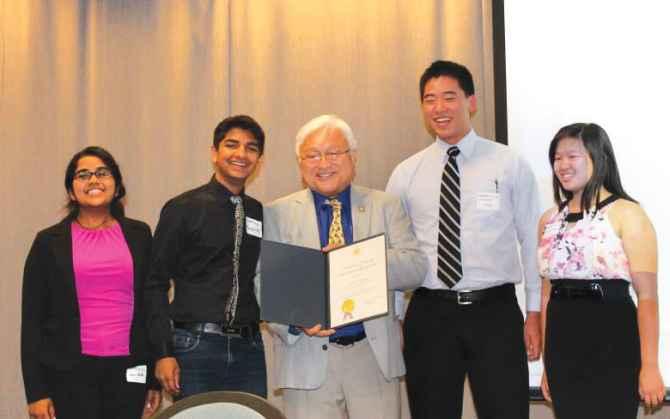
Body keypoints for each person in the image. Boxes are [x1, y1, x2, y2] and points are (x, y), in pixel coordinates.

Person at [386, 60, 542, 419]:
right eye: (429, 99)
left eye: (449, 97)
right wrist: (395, 317)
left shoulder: (508, 163)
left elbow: (531, 242)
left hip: (495, 313)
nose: (439, 108)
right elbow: (395, 253)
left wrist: (534, 313)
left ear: (471, 102)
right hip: (429, 313)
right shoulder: (406, 173)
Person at [263, 114, 426, 419]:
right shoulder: (277, 213)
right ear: (301, 164)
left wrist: (360, 258)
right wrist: (294, 322)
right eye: (312, 155)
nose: (323, 163)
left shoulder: (385, 205)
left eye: (333, 153)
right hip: (307, 356)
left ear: (353, 158)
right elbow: (264, 283)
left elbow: (416, 267)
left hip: (372, 354)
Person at [21, 146, 161, 419]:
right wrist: (36, 391)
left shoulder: (140, 234)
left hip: (129, 368)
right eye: (83, 175)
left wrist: (153, 377)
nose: (94, 180)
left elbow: (152, 306)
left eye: (102, 173)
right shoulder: (48, 243)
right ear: (72, 191)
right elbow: (32, 320)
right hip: (69, 372)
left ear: (117, 186)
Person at [538, 123, 665, 418]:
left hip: (611, 337)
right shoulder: (549, 219)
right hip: (562, 341)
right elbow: (547, 295)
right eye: (557, 158)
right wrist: (547, 364)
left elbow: (647, 297)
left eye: (572, 156)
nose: (563, 165)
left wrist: (650, 366)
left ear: (598, 157)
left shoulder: (627, 213)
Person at [145, 115, 267, 398]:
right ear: (214, 152)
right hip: (195, 347)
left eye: (251, 148)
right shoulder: (183, 208)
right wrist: (163, 353)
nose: (241, 154)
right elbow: (154, 283)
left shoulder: (257, 211)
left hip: (249, 349)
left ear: (258, 159)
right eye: (232, 145)